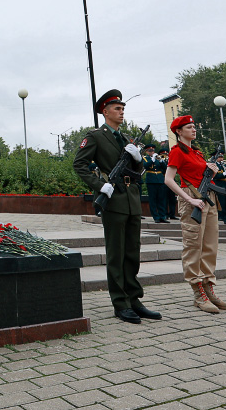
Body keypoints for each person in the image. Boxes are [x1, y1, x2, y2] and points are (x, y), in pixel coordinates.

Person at [73, 90, 160, 324]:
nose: (122, 112)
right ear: (105, 112)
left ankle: (134, 299)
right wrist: (100, 186)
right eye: (117, 109)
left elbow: (137, 171)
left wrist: (138, 159)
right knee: (116, 253)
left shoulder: (126, 139)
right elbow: (79, 164)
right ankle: (120, 303)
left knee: (132, 252)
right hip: (113, 199)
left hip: (131, 199)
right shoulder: (95, 137)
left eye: (123, 109)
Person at [164, 115, 226, 314]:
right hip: (192, 198)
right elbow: (168, 179)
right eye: (189, 127)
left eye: (194, 126)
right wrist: (189, 199)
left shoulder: (197, 152)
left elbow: (199, 175)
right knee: (193, 246)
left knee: (210, 246)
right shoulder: (177, 151)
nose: (194, 129)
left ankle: (209, 289)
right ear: (179, 131)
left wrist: (212, 171)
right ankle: (198, 293)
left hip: (208, 198)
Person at [142, 145, 168, 223]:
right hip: (151, 180)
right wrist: (152, 160)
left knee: (161, 199)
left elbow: (165, 169)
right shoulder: (145, 158)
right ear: (147, 151)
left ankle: (162, 216)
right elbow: (145, 166)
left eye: (153, 150)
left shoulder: (158, 158)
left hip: (160, 180)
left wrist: (161, 162)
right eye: (150, 151)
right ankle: (156, 217)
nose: (152, 152)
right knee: (152, 199)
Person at [158, 147, 177, 220]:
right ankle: (165, 214)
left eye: (166, 154)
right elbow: (164, 169)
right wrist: (161, 161)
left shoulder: (170, 161)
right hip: (164, 180)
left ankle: (172, 214)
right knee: (164, 198)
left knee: (172, 199)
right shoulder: (159, 161)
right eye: (163, 154)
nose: (165, 155)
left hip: (171, 180)